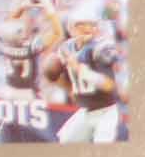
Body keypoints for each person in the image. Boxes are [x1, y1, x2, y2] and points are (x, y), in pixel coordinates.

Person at [53, 9, 126, 143]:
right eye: (82, 25)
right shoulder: (66, 48)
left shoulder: (99, 48)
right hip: (85, 111)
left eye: (91, 25)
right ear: (71, 28)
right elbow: (56, 76)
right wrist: (70, 89)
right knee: (65, 141)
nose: (87, 28)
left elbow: (109, 85)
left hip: (105, 112)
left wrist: (81, 71)